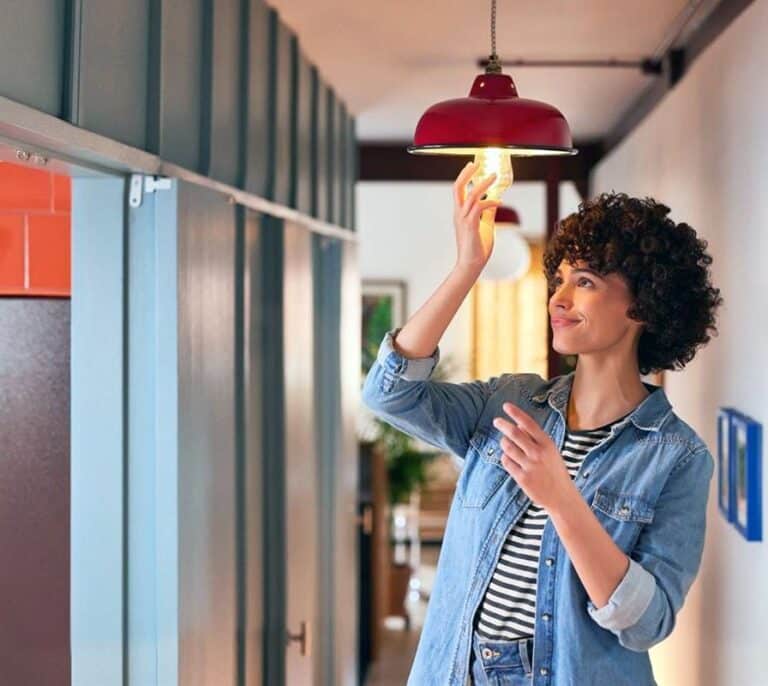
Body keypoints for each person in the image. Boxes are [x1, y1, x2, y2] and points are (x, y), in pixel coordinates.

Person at [361, 161, 723, 686]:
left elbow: (646, 623)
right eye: (558, 279)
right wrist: (467, 266)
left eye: (585, 281)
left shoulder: (677, 457)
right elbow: (388, 392)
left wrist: (561, 497)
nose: (559, 297)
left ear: (643, 303)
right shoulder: (510, 402)